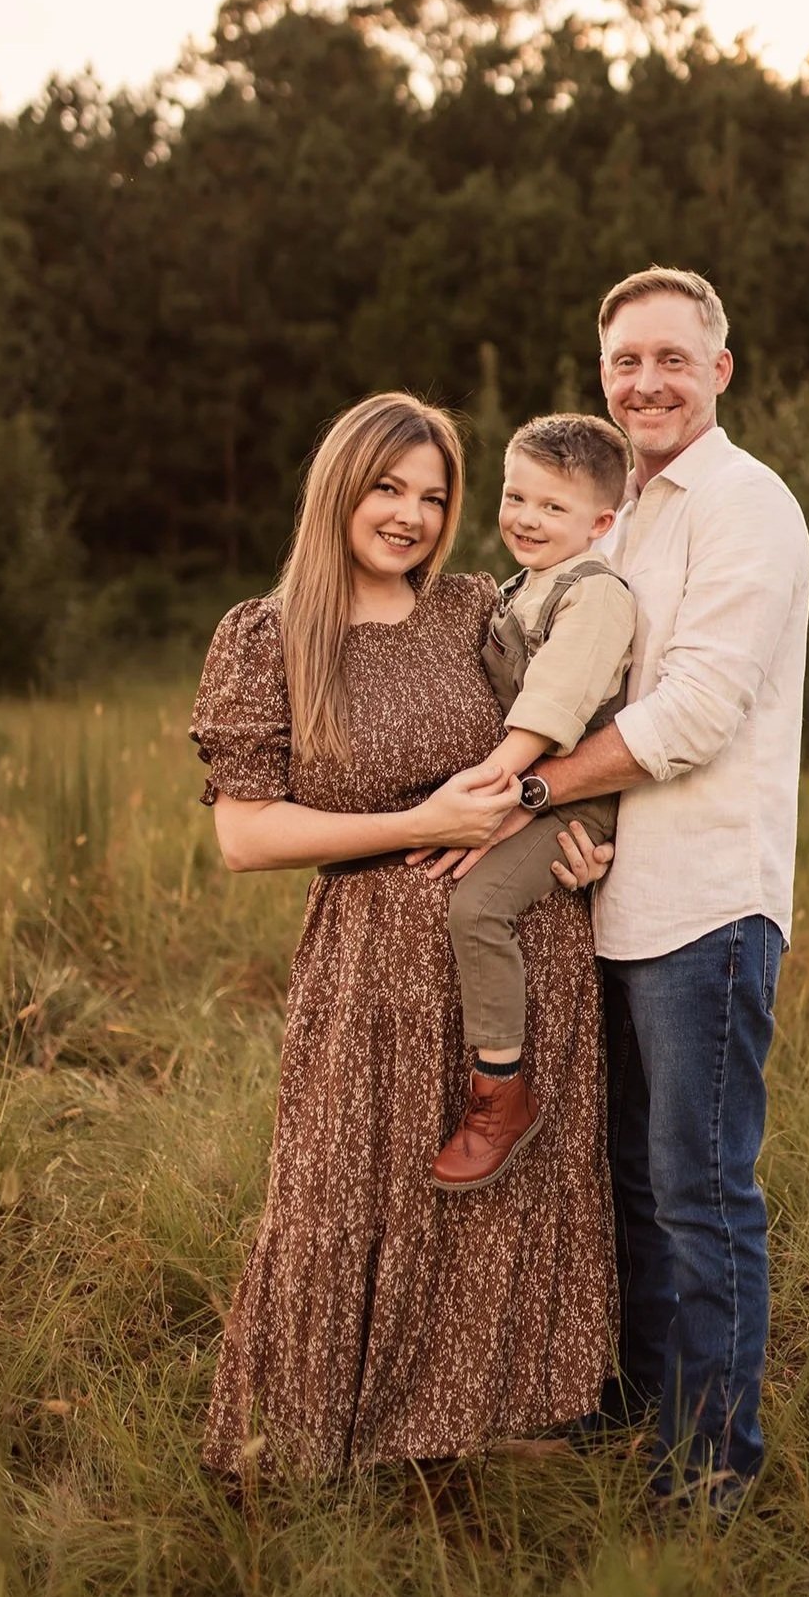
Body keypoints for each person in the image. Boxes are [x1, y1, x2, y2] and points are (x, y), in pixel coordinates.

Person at [189, 392, 616, 1477]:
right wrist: (419, 821)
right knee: (341, 1198)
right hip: (369, 962)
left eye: (433, 495)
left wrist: (581, 835)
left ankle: (463, 1445)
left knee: (494, 1209)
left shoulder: (476, 608)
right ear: (340, 484)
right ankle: (300, 1448)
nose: (412, 515)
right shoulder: (267, 635)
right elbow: (243, 835)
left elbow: (585, 714)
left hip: (520, 954)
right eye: (388, 486)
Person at [452, 269, 809, 1510]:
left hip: (708, 903)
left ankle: (709, 1476)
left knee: (701, 1194)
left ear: (720, 368)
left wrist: (534, 794)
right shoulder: (628, 514)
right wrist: (575, 829)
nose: (643, 381)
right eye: (622, 362)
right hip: (613, 898)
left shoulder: (744, 505)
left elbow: (695, 712)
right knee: (632, 1192)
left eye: (669, 357)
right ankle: (638, 1420)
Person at [432, 413, 635, 1193]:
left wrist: (487, 793)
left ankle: (501, 1093)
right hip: (521, 783)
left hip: (569, 799)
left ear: (601, 521)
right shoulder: (518, 588)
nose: (525, 518)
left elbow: (553, 703)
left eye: (553, 508)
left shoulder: (596, 595)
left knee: (476, 907)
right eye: (517, 497)